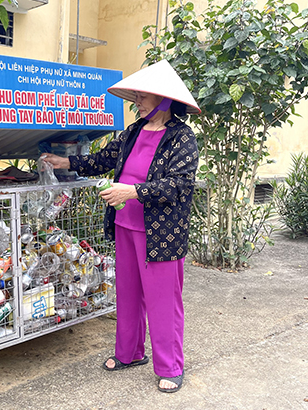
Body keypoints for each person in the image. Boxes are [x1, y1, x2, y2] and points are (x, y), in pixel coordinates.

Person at [41, 60, 200, 393]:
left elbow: (180, 185)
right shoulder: (134, 131)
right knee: (127, 294)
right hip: (126, 225)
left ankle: (170, 366)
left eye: (143, 97)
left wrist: (133, 191)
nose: (137, 102)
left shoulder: (182, 138)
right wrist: (66, 162)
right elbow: (103, 159)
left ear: (165, 99)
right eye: (137, 97)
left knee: (162, 300)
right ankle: (129, 353)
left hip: (161, 235)